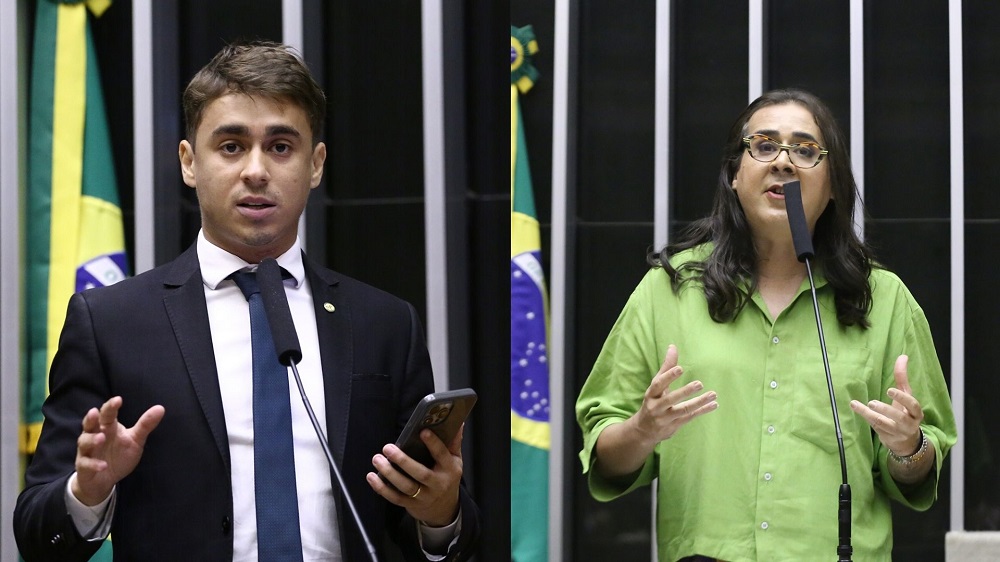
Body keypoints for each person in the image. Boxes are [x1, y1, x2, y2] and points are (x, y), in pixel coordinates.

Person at [14, 41, 480, 561]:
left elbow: (433, 527)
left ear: (315, 164)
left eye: (280, 147)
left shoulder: (385, 324)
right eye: (231, 146)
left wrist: (439, 513)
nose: (256, 170)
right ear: (189, 162)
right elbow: (36, 534)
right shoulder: (110, 323)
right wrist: (87, 493)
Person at [575, 88, 956, 561]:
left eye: (805, 150)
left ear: (832, 185)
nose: (783, 162)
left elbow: (922, 469)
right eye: (764, 145)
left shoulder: (885, 299)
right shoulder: (668, 290)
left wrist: (908, 446)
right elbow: (604, 454)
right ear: (735, 175)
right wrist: (642, 429)